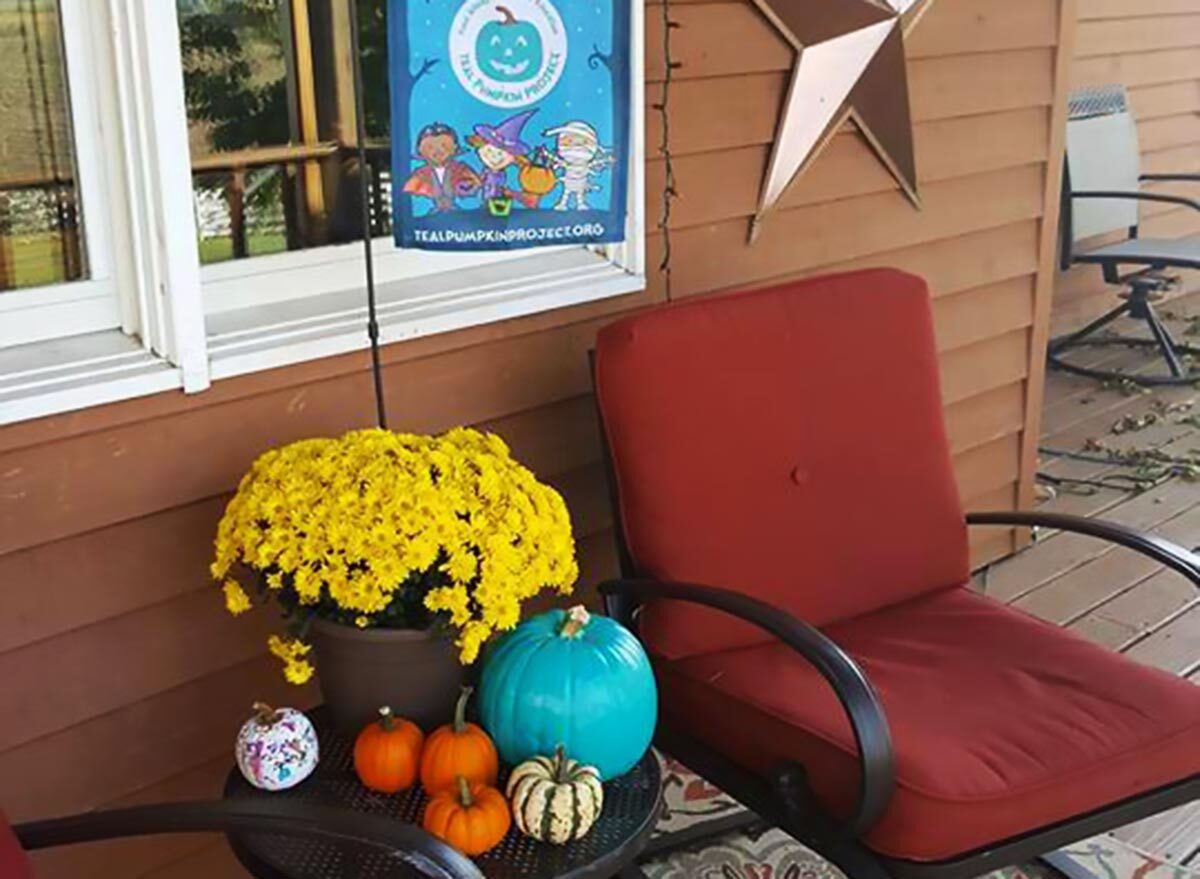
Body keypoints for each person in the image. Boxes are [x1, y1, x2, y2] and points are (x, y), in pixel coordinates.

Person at [403, 123, 481, 213]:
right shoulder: (420, 174)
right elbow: (410, 192)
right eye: (430, 147)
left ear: (455, 147)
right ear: (420, 150)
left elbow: (475, 185)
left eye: (444, 145)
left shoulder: (461, 169)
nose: (438, 151)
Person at [543, 121, 614, 211]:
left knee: (578, 193)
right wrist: (547, 154)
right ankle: (563, 204)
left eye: (583, 142)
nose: (577, 144)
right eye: (570, 141)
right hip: (570, 180)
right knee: (567, 193)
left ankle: (579, 204)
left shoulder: (580, 162)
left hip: (579, 181)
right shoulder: (570, 162)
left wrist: (607, 160)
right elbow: (557, 160)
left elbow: (596, 163)